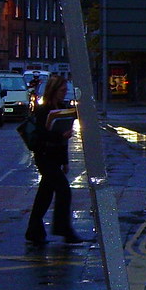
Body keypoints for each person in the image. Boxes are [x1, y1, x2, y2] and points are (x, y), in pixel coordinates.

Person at [25, 74, 88, 245]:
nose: (64, 93)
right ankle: (64, 230)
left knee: (44, 194)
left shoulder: (61, 108)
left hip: (55, 157)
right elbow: (42, 134)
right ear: (53, 90)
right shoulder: (43, 110)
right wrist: (59, 134)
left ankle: (33, 230)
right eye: (62, 90)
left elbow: (63, 138)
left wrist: (65, 161)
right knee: (63, 190)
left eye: (65, 90)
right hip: (44, 156)